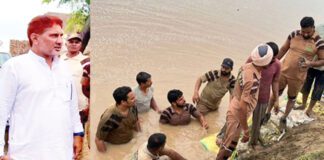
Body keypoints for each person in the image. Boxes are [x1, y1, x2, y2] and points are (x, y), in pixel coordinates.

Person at [0, 15, 83, 160]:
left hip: (62, 151)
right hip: (26, 153)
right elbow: (1, 109)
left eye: (61, 36)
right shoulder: (14, 67)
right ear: (35, 38)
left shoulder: (63, 67)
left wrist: (77, 133)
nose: (59, 41)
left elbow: (71, 105)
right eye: (53, 35)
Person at [216, 44, 273, 160]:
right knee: (227, 145)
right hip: (238, 113)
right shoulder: (253, 81)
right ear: (266, 63)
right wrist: (246, 130)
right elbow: (242, 107)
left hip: (235, 106)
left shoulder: (245, 66)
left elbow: (238, 89)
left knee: (231, 143)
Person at [265, 17, 324, 127]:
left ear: (313, 28)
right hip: (283, 72)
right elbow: (283, 49)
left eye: (308, 32)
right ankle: (267, 113)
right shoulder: (294, 35)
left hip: (298, 77)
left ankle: (284, 117)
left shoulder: (319, 42)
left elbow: (322, 60)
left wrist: (310, 63)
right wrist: (272, 62)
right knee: (275, 94)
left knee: (292, 98)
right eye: (303, 31)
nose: (305, 34)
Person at [246, 42, 281, 146]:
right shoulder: (254, 58)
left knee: (257, 123)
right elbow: (243, 73)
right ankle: (225, 136)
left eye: (274, 58)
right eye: (271, 58)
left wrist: (276, 100)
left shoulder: (277, 64)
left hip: (263, 98)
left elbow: (275, 82)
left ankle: (252, 143)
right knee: (238, 119)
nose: (272, 61)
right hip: (248, 96)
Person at [95, 86, 141, 152]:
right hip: (117, 145)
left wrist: (140, 134)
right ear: (123, 102)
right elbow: (99, 140)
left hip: (130, 140)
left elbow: (136, 121)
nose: (135, 99)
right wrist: (104, 156)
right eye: (132, 98)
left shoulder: (132, 106)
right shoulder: (109, 118)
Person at [61, 33, 89, 128]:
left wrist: (88, 106)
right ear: (66, 44)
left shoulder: (87, 61)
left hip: (81, 106)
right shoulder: (59, 60)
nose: (74, 44)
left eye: (77, 42)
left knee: (79, 133)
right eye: (71, 42)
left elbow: (90, 85)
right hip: (62, 105)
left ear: (81, 45)